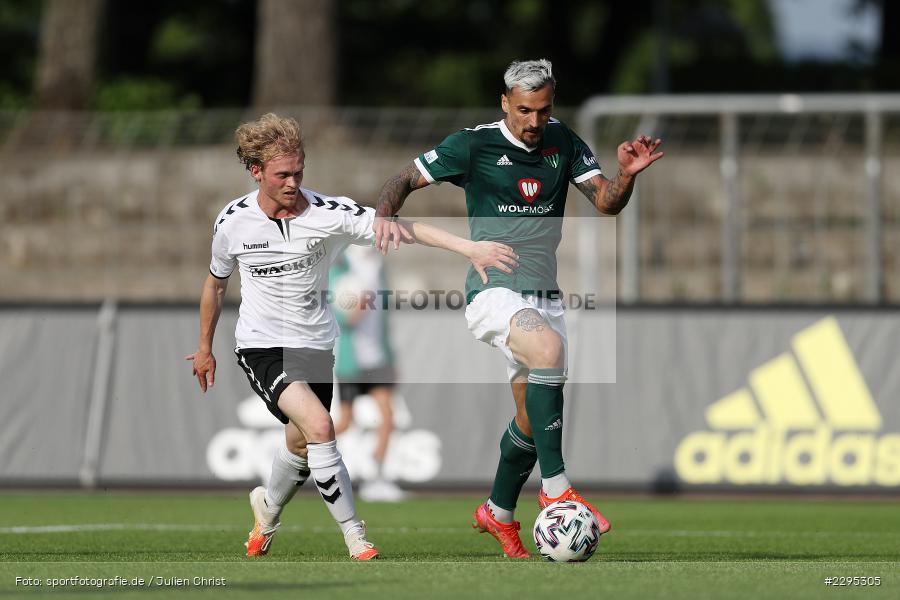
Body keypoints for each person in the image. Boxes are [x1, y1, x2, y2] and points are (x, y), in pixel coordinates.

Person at [186, 113, 516, 560]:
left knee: (299, 443)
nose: (292, 182)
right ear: (255, 171)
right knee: (321, 427)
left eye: (299, 171)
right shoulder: (233, 222)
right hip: (260, 344)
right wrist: (205, 346)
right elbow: (215, 283)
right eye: (282, 174)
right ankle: (355, 536)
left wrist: (469, 247)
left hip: (315, 344)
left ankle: (267, 510)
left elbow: (403, 228)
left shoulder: (329, 213)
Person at [373, 59, 663, 558]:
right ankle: (557, 488)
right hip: (492, 290)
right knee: (547, 350)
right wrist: (383, 216)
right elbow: (404, 177)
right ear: (505, 102)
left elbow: (606, 203)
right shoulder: (472, 144)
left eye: (543, 111)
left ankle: (498, 511)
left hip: (544, 294)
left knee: (532, 417)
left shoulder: (564, 142)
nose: (534, 122)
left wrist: (626, 176)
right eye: (524, 111)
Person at [330, 245, 407, 502]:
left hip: (377, 359)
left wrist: (391, 356)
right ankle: (297, 456)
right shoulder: (341, 268)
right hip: (351, 362)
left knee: (387, 416)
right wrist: (358, 306)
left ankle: (378, 477)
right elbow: (343, 319)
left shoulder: (378, 266)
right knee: (344, 422)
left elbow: (383, 319)